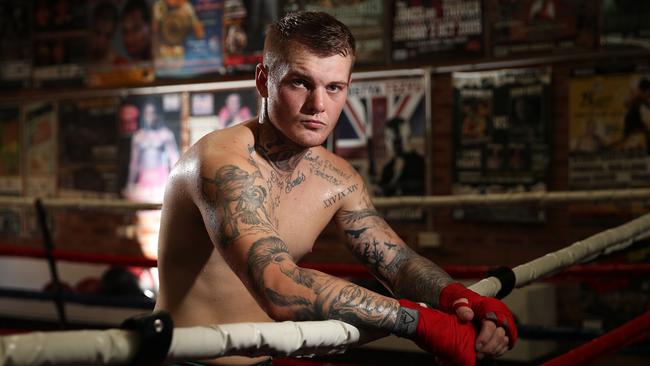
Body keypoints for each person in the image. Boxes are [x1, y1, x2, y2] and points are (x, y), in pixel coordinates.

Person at [154, 11, 516, 366]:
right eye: (300, 82)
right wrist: (417, 322)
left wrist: (457, 299)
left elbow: (398, 263)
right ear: (264, 80)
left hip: (262, 359)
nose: (318, 105)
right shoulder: (220, 161)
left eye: (334, 87)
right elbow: (277, 284)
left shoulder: (338, 179)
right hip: (184, 358)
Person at [124, 99, 180, 203]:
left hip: (161, 178)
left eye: (153, 113)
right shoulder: (138, 136)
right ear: (143, 115)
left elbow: (174, 159)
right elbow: (134, 162)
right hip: (144, 178)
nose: (150, 116)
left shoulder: (166, 134)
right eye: (147, 113)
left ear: (158, 114)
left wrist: (177, 183)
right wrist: (130, 183)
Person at [377, 117, 425, 196]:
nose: (390, 143)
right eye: (388, 139)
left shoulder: (421, 164)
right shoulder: (388, 169)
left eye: (396, 140)